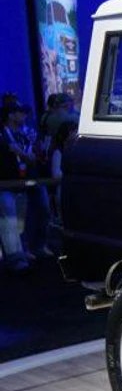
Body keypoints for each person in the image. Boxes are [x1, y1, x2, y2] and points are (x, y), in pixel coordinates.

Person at [0, 102, 35, 271]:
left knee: (19, 222)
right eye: (19, 112)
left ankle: (21, 252)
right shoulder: (2, 135)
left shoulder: (21, 135)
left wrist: (21, 153)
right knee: (9, 221)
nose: (24, 115)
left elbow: (30, 158)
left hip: (20, 184)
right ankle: (14, 258)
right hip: (4, 185)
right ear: (10, 115)